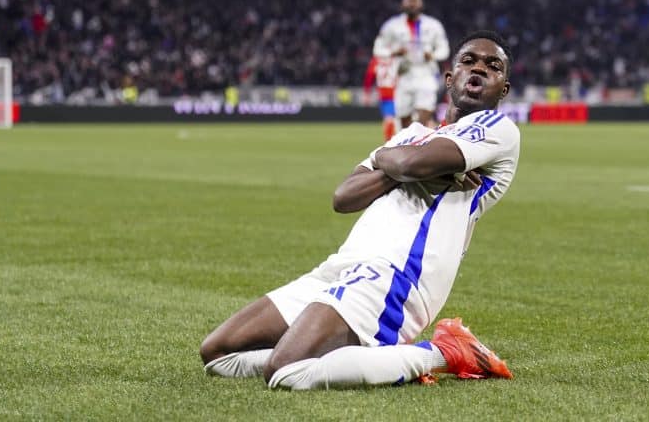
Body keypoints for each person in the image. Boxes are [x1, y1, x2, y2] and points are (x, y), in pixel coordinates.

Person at [200, 30, 520, 390]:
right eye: (468, 61)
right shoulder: (410, 134)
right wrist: (399, 163)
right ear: (450, 78)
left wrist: (399, 163)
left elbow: (413, 165)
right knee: (217, 354)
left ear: (503, 89)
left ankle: (445, 351)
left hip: (397, 275)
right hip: (342, 267)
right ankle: (381, 359)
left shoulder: (498, 130)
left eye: (492, 67)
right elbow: (345, 197)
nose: (478, 69)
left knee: (285, 371)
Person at [372, 0, 450, 130]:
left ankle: (417, 141)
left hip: (426, 73)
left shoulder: (433, 25)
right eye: (409, 1)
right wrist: (393, 52)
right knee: (404, 119)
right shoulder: (392, 25)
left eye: (415, 1)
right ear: (403, 4)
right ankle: (411, 143)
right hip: (403, 74)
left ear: (421, 4)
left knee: (424, 112)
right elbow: (378, 49)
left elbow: (444, 49)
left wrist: (432, 55)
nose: (412, 4)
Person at [363, 55, 398, 140]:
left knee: (390, 120)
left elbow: (369, 76)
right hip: (392, 94)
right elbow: (369, 76)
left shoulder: (377, 60)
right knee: (391, 120)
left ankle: (390, 143)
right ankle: (390, 143)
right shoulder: (397, 58)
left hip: (388, 94)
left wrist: (367, 93)